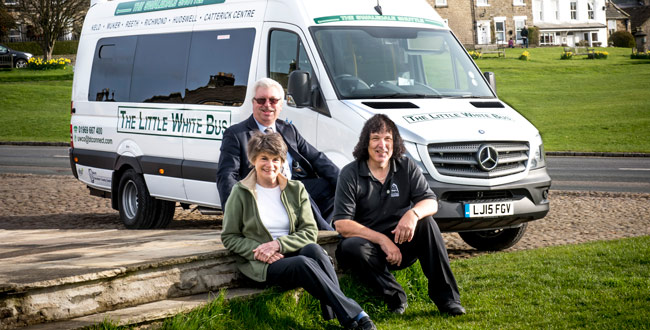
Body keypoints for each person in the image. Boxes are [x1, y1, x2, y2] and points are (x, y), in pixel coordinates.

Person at [221, 132, 376, 330]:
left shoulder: (296, 189)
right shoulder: (240, 192)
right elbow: (230, 236)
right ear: (253, 160)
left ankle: (338, 314)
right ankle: (355, 314)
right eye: (264, 159)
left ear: (282, 161)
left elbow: (310, 231)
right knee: (304, 262)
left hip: (288, 250)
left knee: (315, 251)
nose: (270, 165)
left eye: (275, 159)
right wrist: (261, 250)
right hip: (262, 264)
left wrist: (278, 244)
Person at [332, 114, 466, 316]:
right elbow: (341, 224)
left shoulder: (406, 166)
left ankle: (448, 300)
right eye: (375, 138)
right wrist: (382, 240)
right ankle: (395, 299)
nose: (382, 145)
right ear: (365, 143)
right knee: (352, 246)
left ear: (395, 143)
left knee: (427, 223)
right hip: (367, 248)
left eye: (388, 139)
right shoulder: (350, 173)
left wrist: (412, 214)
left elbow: (431, 202)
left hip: (402, 240)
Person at [217, 77, 339, 231]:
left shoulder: (289, 130)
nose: (267, 105)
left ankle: (310, 229)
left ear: (281, 105)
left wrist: (347, 184)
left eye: (273, 100)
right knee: (299, 192)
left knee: (330, 187)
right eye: (261, 100)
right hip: (262, 192)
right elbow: (227, 175)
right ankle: (324, 234)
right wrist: (233, 214)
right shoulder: (236, 134)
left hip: (293, 187)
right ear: (253, 103)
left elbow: (317, 158)